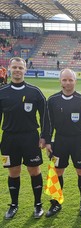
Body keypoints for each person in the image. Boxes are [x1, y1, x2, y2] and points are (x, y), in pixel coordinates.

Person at [0, 57, 46, 219]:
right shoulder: (2, 92)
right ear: (10, 69)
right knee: (13, 172)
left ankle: (38, 205)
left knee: (34, 171)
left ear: (25, 69)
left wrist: (44, 136)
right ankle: (13, 205)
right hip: (9, 139)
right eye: (15, 67)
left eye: (20, 67)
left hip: (30, 138)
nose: (18, 70)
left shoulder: (35, 92)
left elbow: (45, 116)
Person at [44, 68, 81, 217]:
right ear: (60, 81)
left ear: (75, 81)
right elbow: (48, 123)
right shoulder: (52, 100)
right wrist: (48, 142)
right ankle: (56, 203)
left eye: (70, 80)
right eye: (65, 80)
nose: (68, 83)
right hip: (59, 141)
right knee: (58, 171)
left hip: (78, 142)